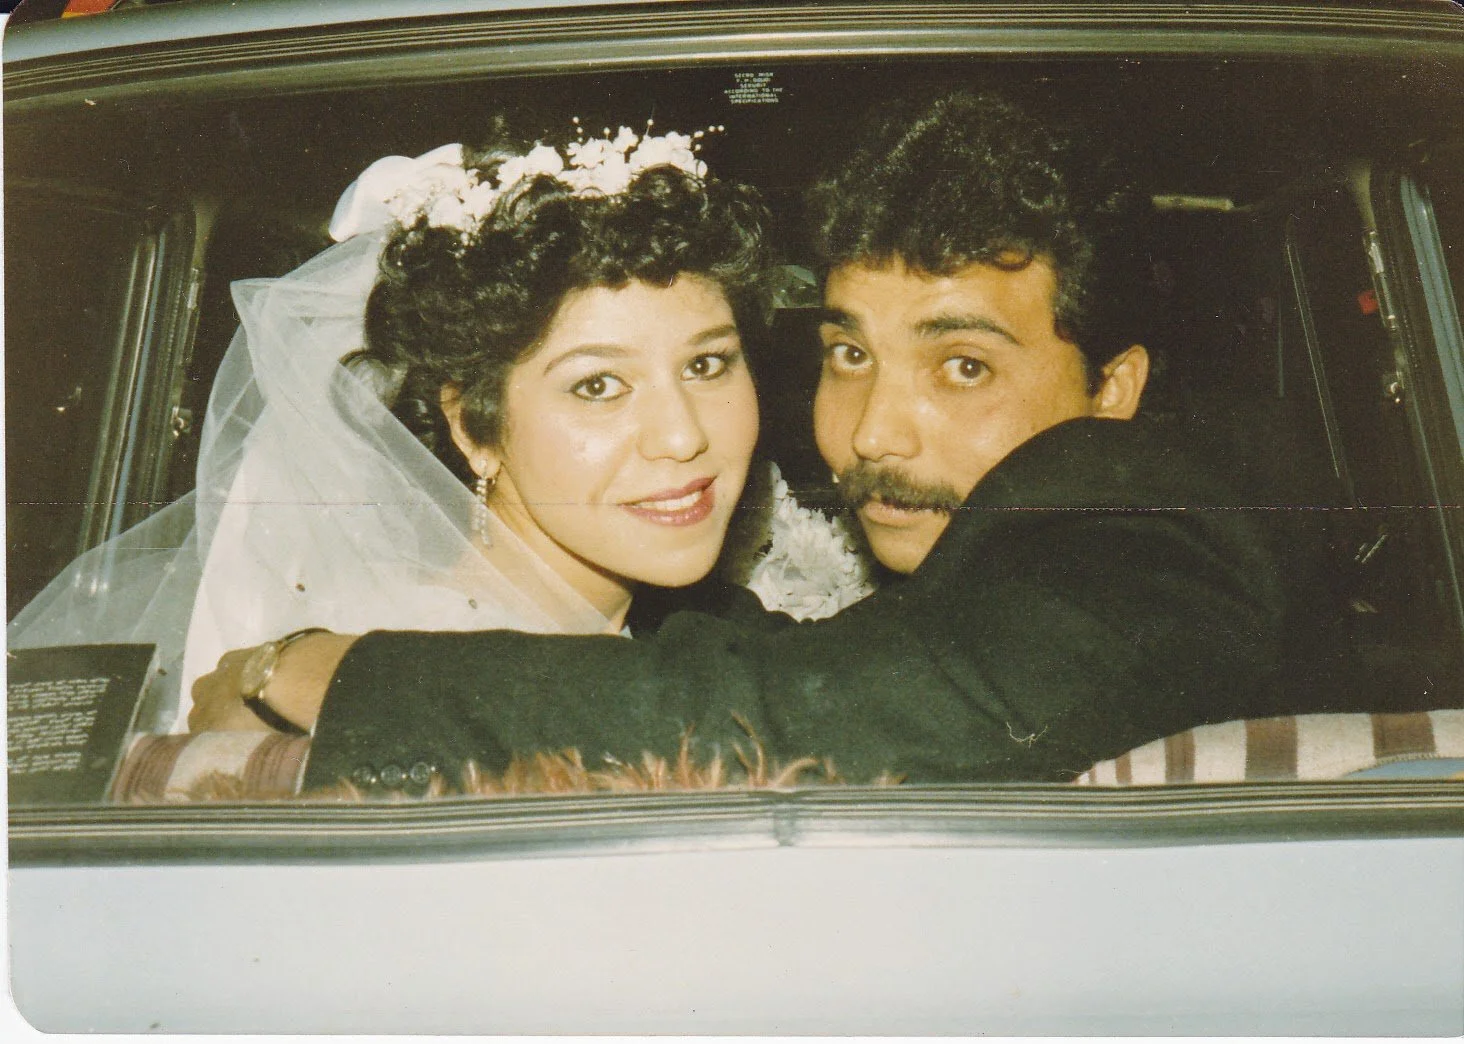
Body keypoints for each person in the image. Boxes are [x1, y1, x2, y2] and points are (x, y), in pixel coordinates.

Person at [193, 91, 1287, 788]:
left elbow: (843, 703)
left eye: (963, 366)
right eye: (849, 353)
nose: (871, 430)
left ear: (1114, 390)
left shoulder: (1156, 534)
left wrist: (336, 674)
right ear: (472, 423)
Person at [11, 124, 823, 736]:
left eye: (709, 365)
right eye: (599, 385)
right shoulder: (391, 674)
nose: (681, 437)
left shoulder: (668, 640)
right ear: (476, 427)